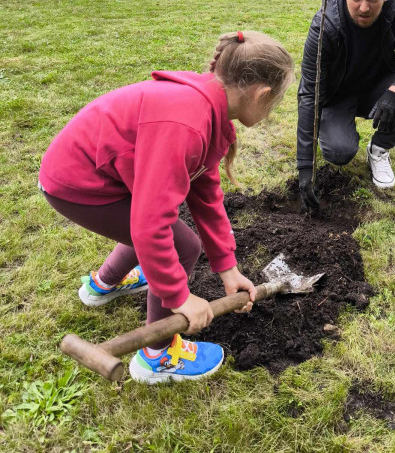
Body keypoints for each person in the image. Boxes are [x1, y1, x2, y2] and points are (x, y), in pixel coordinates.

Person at [38, 31, 294, 384]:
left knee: (159, 228)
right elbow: (149, 224)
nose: (270, 111)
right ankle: (157, 355)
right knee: (180, 244)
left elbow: (205, 196)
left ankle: (104, 285)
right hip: (80, 184)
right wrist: (179, 296)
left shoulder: (208, 109)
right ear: (261, 93)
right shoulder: (186, 124)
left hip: (95, 173)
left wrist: (228, 269)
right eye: (274, 103)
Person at [297, 0, 395, 211]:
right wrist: (305, 168)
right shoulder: (325, 24)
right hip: (337, 96)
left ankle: (378, 149)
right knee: (339, 153)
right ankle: (340, 132)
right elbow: (309, 94)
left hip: (378, 90)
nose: (364, 8)